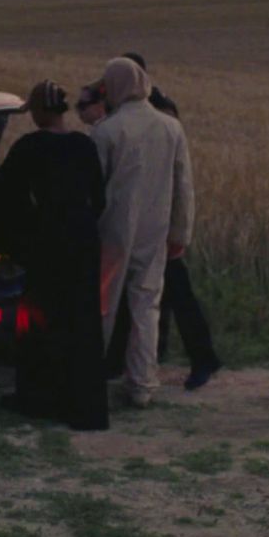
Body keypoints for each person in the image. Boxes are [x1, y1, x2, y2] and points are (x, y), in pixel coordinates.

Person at [0, 80, 108, 431]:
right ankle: (84, 409)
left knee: (41, 321)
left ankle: (39, 399)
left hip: (50, 243)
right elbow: (99, 200)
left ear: (41, 111)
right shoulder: (84, 145)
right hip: (85, 243)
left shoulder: (31, 146)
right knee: (81, 323)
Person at [108, 52, 223, 391]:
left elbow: (178, 180)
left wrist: (179, 231)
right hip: (151, 224)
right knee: (151, 300)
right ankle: (142, 361)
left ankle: (201, 359)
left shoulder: (160, 109)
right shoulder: (143, 107)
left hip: (155, 225)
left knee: (174, 296)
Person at [91, 57, 194, 407]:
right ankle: (142, 384)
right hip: (156, 228)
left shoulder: (106, 130)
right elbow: (183, 186)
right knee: (146, 306)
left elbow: (94, 187)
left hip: (113, 230)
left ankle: (90, 374)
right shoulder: (171, 128)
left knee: (103, 303)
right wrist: (181, 232)